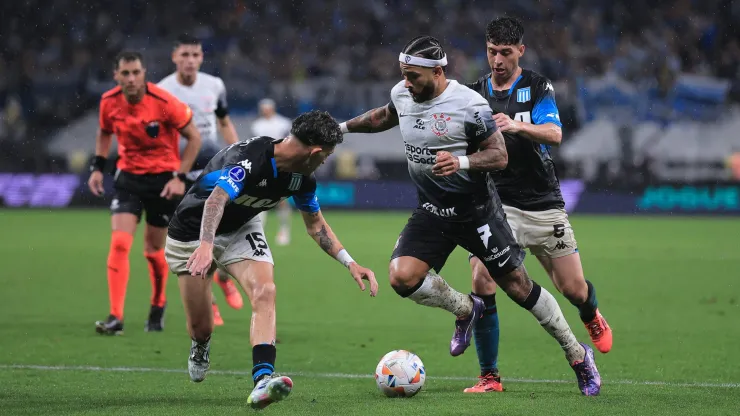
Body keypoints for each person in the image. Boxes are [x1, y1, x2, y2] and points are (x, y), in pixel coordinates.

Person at [340, 36, 600, 396]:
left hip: (476, 211)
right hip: (432, 211)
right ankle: (465, 309)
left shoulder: (468, 103)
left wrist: (461, 161)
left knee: (518, 287)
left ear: (437, 71)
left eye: (414, 76)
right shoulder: (403, 93)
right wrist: (340, 129)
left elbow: (499, 155)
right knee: (402, 278)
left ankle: (577, 354)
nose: (407, 83)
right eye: (403, 75)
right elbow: (385, 115)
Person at [164, 110, 378, 409]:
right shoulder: (251, 158)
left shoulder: (302, 179)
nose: (326, 160)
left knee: (265, 291)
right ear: (314, 151)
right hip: (192, 231)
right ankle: (200, 346)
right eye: (326, 155)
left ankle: (263, 379)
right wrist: (205, 245)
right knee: (202, 327)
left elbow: (315, 226)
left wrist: (350, 262)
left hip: (240, 228)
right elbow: (216, 199)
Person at [462, 17, 612, 394]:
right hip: (498, 205)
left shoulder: (537, 86)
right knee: (481, 277)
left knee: (573, 288)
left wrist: (515, 126)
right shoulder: (473, 93)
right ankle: (489, 376)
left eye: (505, 53)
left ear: (520, 52)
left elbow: (555, 134)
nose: (497, 60)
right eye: (492, 51)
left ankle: (590, 314)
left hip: (543, 203)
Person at [88, 50, 202, 334]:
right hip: (128, 179)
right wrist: (97, 167)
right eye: (125, 73)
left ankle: (158, 303)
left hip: (163, 183)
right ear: (116, 75)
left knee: (153, 251)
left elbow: (194, 138)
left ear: (144, 73)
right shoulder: (108, 102)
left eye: (135, 72)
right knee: (119, 244)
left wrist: (179, 177)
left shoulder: (164, 103)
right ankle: (115, 316)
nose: (130, 78)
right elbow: (104, 131)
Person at [158, 34, 243, 326]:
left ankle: (221, 277)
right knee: (191, 237)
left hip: (212, 167)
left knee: (220, 229)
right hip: (179, 172)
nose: (190, 60)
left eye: (195, 55)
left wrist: (239, 154)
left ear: (201, 58)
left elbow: (223, 121)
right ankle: (210, 301)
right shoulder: (162, 91)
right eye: (185, 55)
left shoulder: (214, 85)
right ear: (174, 57)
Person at [251, 98, 294, 246]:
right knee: (260, 196)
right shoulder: (257, 125)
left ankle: (284, 229)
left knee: (282, 199)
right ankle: (259, 231)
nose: (265, 110)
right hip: (263, 165)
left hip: (281, 164)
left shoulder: (284, 123)